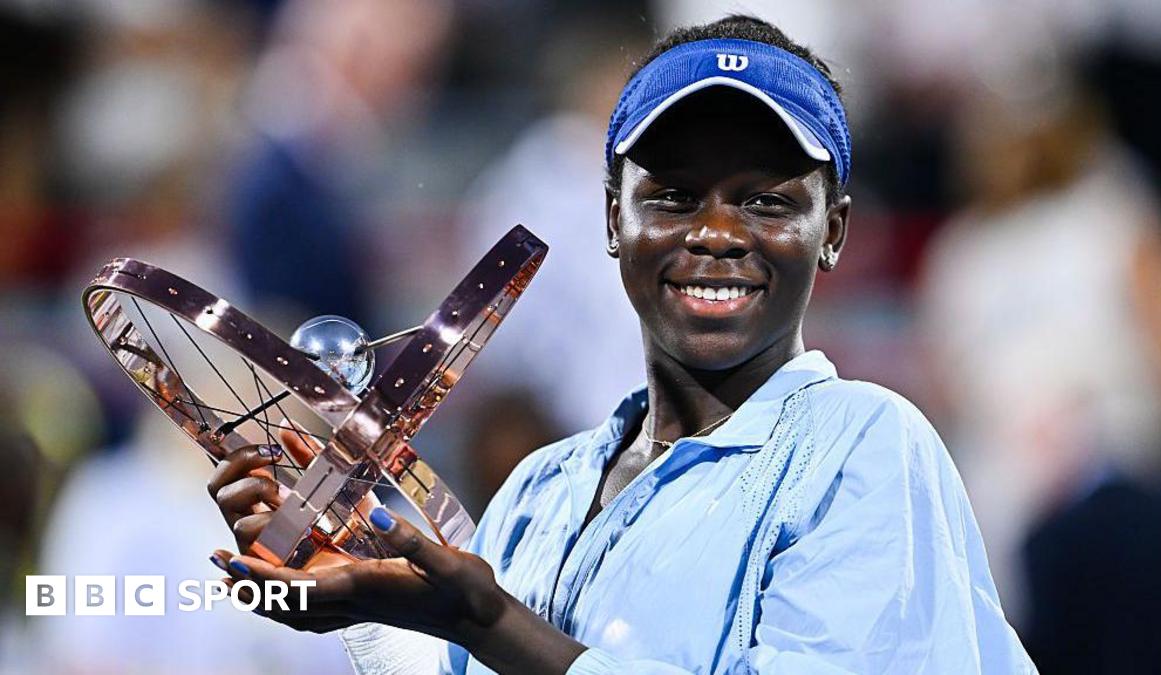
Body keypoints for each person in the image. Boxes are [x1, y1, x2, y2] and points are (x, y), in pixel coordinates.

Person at [205, 16, 1035, 674]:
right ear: (612, 219)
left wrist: (489, 620)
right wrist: (366, 600)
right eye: (673, 194)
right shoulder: (542, 487)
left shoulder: (868, 447)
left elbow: (501, 639)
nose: (716, 232)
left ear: (834, 232)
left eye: (768, 202)